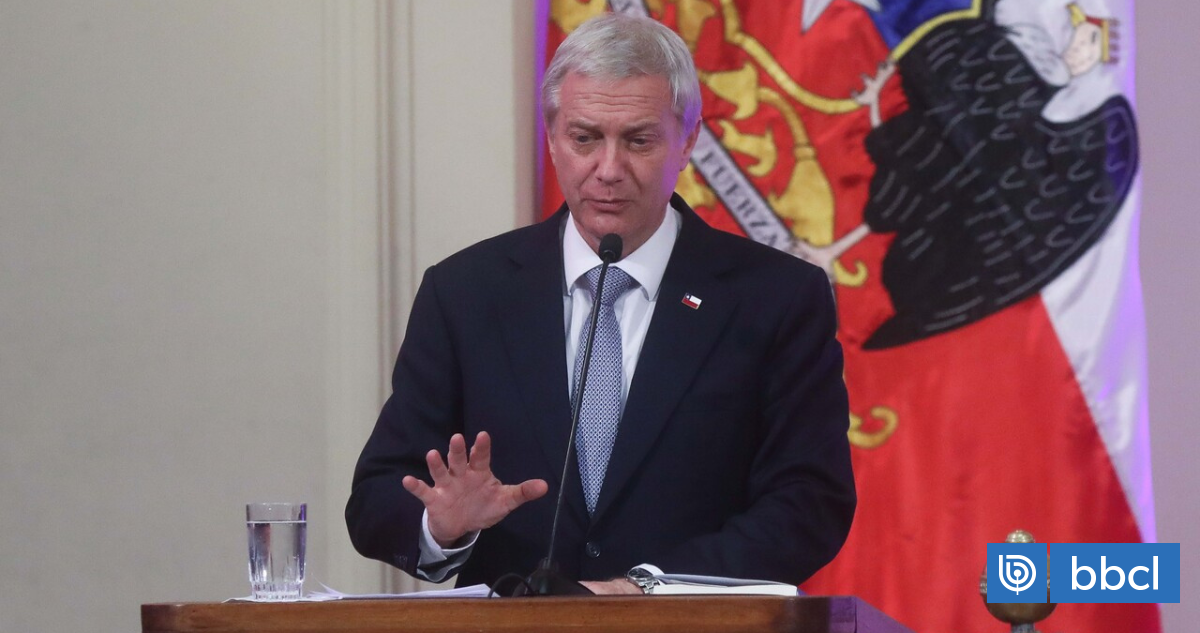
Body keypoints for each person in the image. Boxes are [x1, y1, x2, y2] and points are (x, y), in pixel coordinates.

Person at [345, 12, 855, 595]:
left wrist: (649, 589)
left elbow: (808, 503)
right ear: (551, 137)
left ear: (688, 141)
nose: (608, 171)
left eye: (638, 140)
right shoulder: (465, 292)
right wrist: (442, 527)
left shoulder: (777, 297)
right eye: (584, 138)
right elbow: (377, 499)